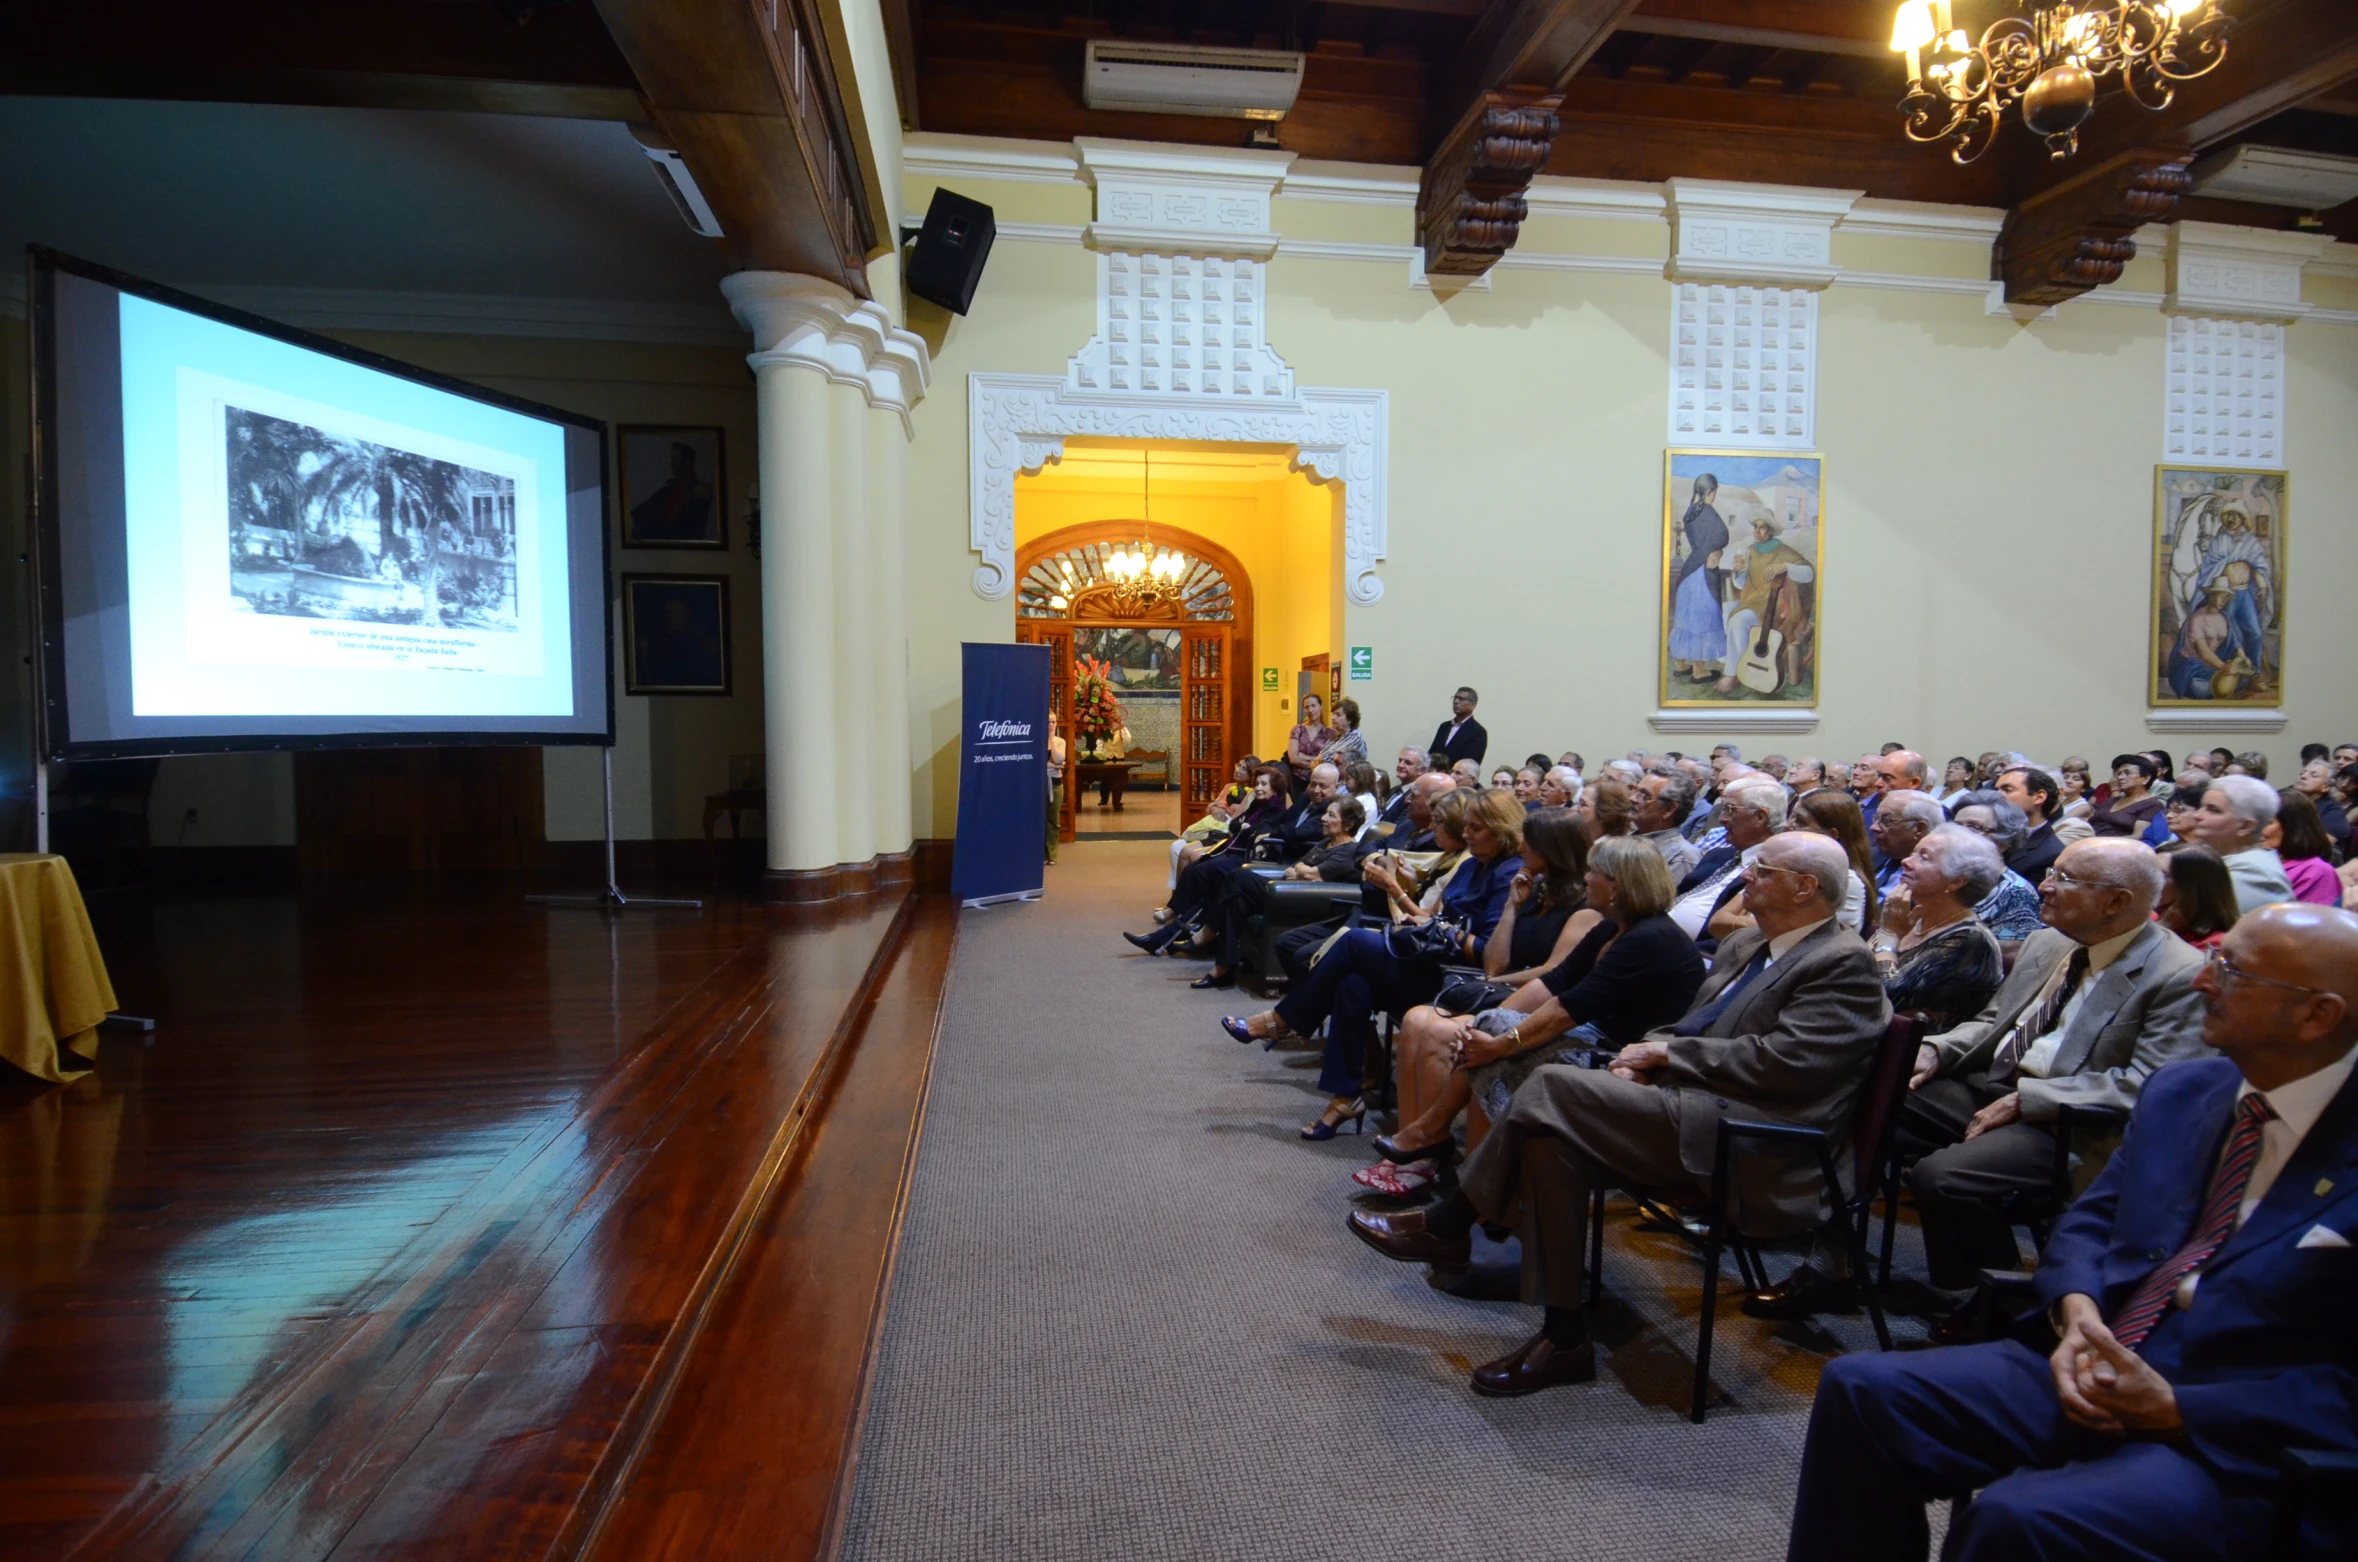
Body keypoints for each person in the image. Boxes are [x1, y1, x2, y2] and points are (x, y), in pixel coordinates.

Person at [1787, 903, 2358, 1562]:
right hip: (2097, 1353)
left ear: (2319, 1015)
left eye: (2231, 971)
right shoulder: (2189, 1089)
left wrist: (2178, 1407)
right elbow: (2095, 1217)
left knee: (2018, 1521)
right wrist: (2076, 1308)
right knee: (1864, 1392)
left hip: (2231, 1427)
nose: (2203, 980)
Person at [1346, 833, 1889, 1397]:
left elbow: (1791, 1064)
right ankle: (1564, 1338)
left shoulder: (1841, 961)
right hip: (1691, 1105)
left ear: (1805, 888)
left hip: (1759, 1139)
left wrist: (1666, 1055)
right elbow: (1683, 1026)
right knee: (1549, 1144)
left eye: (1762, 870)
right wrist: (1643, 1057)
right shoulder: (1747, 944)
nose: (1744, 877)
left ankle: (1450, 1222)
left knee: (1553, 1083)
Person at [1879, 839, 2209, 1331]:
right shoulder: (2050, 940)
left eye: (2064, 878)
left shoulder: (2177, 974)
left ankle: (2004, 1296)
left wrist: (2034, 1099)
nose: (2044, 886)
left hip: (2066, 1123)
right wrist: (1938, 1049)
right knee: (1867, 1100)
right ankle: (1829, 1257)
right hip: (1992, 1085)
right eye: (2051, 871)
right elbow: (1994, 1021)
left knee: (1944, 1176)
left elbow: (2150, 1084)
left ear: (2118, 901)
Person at [1364, 837, 1706, 1197]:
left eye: (1594, 873)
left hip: (1628, 1059)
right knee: (1487, 1027)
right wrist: (1486, 1027)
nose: (1586, 879)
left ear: (1617, 886)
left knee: (1495, 1043)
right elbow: (1553, 983)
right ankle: (1459, 1164)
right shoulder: (1611, 927)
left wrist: (1499, 1043)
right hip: (1597, 1036)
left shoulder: (1651, 938)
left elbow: (1570, 1007)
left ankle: (1441, 1146)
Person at [1223, 789, 1521, 1137]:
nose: (1467, 835)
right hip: (1425, 956)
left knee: (1352, 943)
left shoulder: (1508, 874)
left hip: (1453, 978)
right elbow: (1432, 917)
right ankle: (1344, 1097)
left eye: (1476, 829)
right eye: (1466, 827)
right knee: (1352, 984)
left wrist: (1436, 925)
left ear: (1502, 831)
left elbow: (1488, 955)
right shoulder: (1471, 865)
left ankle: (1282, 1019)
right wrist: (1429, 920)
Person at [1868, 825, 2006, 1031]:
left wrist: (1888, 936)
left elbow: (1883, 999)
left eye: (1924, 857)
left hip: (1907, 1053)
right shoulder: (1911, 917)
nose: (1906, 861)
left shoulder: (1970, 940)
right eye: (1913, 852)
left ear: (1957, 881)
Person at [1667, 777, 1786, 941]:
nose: (1722, 819)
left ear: (1760, 817)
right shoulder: (1717, 855)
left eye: (1731, 810)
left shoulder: (1772, 871)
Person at [2181, 773, 2294, 916]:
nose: (2197, 815)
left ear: (2245, 827)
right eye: (2201, 807)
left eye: (2212, 809)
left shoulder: (2257, 876)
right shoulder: (2217, 855)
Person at [1950, 792, 2047, 946]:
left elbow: (2011, 955)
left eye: (1974, 827)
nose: (1958, 834)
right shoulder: (1943, 875)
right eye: (1956, 826)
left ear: (2004, 842)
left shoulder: (2016, 892)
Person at [1782, 788, 1878, 936]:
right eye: (1791, 817)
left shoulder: (1846, 881)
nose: (1788, 826)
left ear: (1831, 835)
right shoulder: (1788, 864)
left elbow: (1805, 938)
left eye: (1800, 822)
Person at [1666, 472, 1730, 683]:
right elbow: (1722, 535)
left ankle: (1680, 664)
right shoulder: (1708, 512)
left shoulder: (1690, 512)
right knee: (1701, 619)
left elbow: (1702, 541)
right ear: (1710, 491)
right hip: (1702, 573)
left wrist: (1714, 550)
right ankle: (1699, 671)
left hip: (1688, 572)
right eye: (1714, 492)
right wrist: (1717, 550)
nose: (1715, 497)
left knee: (1686, 619)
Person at [2156, 842, 2239, 953]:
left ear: (2191, 889)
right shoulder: (2148, 915)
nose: (2146, 879)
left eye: (2160, 875)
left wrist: (2161, 932)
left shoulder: (2215, 945)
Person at [1995, 766, 2066, 884]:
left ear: (2039, 797)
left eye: (2007, 790)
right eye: (1996, 790)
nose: (1997, 796)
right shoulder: (1988, 833)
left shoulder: (2051, 854)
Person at [2270, 790, 2342, 907]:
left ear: (2292, 827)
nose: (2257, 829)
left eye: (2268, 822)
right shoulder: (2256, 858)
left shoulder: (2318, 871)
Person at [1868, 789, 1945, 894]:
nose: (1874, 827)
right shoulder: (1872, 856)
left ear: (1919, 829)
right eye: (1876, 818)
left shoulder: (1933, 881)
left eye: (1887, 820)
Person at [1634, 768, 1701, 884]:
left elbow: (1659, 901)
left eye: (1645, 796)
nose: (1633, 799)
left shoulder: (1682, 857)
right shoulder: (1627, 837)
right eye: (1636, 792)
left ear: (1669, 809)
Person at [2090, 753, 2167, 842]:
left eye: (2127, 773)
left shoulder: (2152, 805)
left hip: (2118, 849)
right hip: (2089, 842)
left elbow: (2138, 837)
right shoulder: (2111, 801)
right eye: (2118, 774)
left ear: (2145, 778)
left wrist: (2099, 841)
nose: (2120, 777)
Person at [2292, 755, 2350, 858]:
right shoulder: (2286, 801)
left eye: (2314, 775)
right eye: (2302, 773)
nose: (2304, 776)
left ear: (2326, 787)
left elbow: (2320, 845)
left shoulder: (2333, 813)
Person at [1283, 693, 1337, 787]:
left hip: (1320, 780)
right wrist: (1317, 760)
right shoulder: (1298, 730)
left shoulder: (1330, 733)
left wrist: (1303, 756)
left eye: (1313, 706)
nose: (1310, 710)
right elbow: (1293, 759)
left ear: (1321, 706)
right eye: (1307, 707)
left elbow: (1329, 760)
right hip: (1297, 779)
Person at [1429, 686, 1487, 769]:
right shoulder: (1444, 726)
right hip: (1435, 776)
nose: (1456, 702)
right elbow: (1432, 753)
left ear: (1473, 705)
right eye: (1455, 698)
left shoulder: (1478, 732)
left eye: (1461, 699)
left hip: (1456, 778)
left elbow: (1471, 764)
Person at [1322, 696, 1368, 776]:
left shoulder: (1355, 737)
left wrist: (1322, 759)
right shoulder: (1335, 738)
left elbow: (1333, 761)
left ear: (1350, 719)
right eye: (1333, 714)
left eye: (1338, 715)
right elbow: (1318, 760)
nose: (1333, 718)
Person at [1045, 711, 1066, 867]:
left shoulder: (1060, 741)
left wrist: (1051, 739)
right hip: (1039, 784)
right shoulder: (1037, 741)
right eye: (1048, 722)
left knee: (1053, 819)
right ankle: (1040, 854)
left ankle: (1052, 854)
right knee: (1039, 820)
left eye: (1053, 722)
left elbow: (1059, 760)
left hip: (1055, 783)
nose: (1051, 725)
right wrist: (1055, 765)